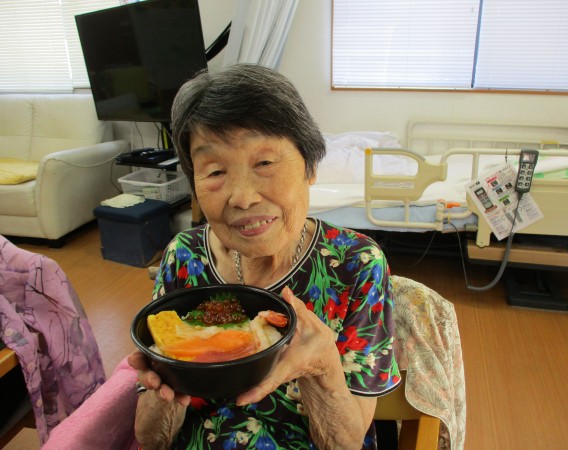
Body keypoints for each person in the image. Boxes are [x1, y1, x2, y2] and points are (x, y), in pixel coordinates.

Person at [128, 64, 401, 450]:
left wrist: (322, 369)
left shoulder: (356, 265)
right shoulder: (184, 257)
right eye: (215, 171)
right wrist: (166, 376)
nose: (242, 197)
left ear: (310, 166)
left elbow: (345, 443)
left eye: (265, 163)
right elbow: (150, 439)